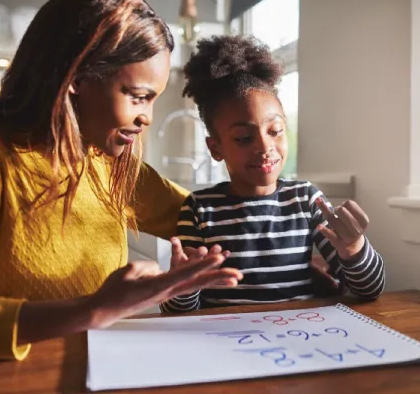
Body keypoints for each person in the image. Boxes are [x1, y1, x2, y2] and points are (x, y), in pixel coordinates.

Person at [0, 0, 243, 362]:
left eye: (153, 100)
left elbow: (211, 219)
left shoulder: (108, 159)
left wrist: (313, 241)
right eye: (137, 96)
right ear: (77, 78)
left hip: (99, 367)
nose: (146, 117)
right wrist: (95, 310)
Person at [160, 35, 385, 313]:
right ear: (215, 147)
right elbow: (175, 312)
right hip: (225, 342)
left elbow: (369, 290)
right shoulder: (198, 208)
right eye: (243, 138)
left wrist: (354, 249)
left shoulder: (305, 199)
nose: (265, 147)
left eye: (275, 131)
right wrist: (183, 284)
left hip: (297, 339)